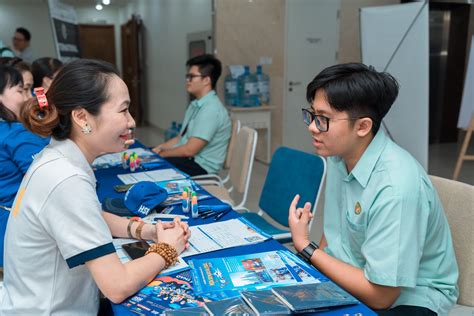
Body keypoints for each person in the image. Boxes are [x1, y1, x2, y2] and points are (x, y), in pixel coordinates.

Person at [1, 59, 191, 315]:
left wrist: (145, 231)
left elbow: (87, 215)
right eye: (123, 110)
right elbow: (117, 286)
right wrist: (167, 249)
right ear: (81, 117)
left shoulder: (59, 158)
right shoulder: (66, 178)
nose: (132, 121)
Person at [288, 63, 458, 315]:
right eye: (312, 114)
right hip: (356, 277)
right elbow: (334, 237)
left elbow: (381, 297)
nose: (312, 126)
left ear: (363, 126)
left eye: (323, 119)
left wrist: (304, 246)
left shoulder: (395, 187)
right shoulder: (339, 156)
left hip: (410, 297)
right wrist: (317, 266)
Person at [0, 64, 49, 268]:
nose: (27, 97)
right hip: (17, 233)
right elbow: (51, 179)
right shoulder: (14, 134)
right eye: (20, 90)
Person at [152, 54, 231, 176]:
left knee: (153, 166)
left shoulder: (211, 109)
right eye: (187, 76)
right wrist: (159, 148)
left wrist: (162, 155)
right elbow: (180, 138)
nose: (187, 81)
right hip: (190, 159)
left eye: (192, 77)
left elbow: (190, 150)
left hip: (201, 167)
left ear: (206, 80)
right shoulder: (196, 105)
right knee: (149, 154)